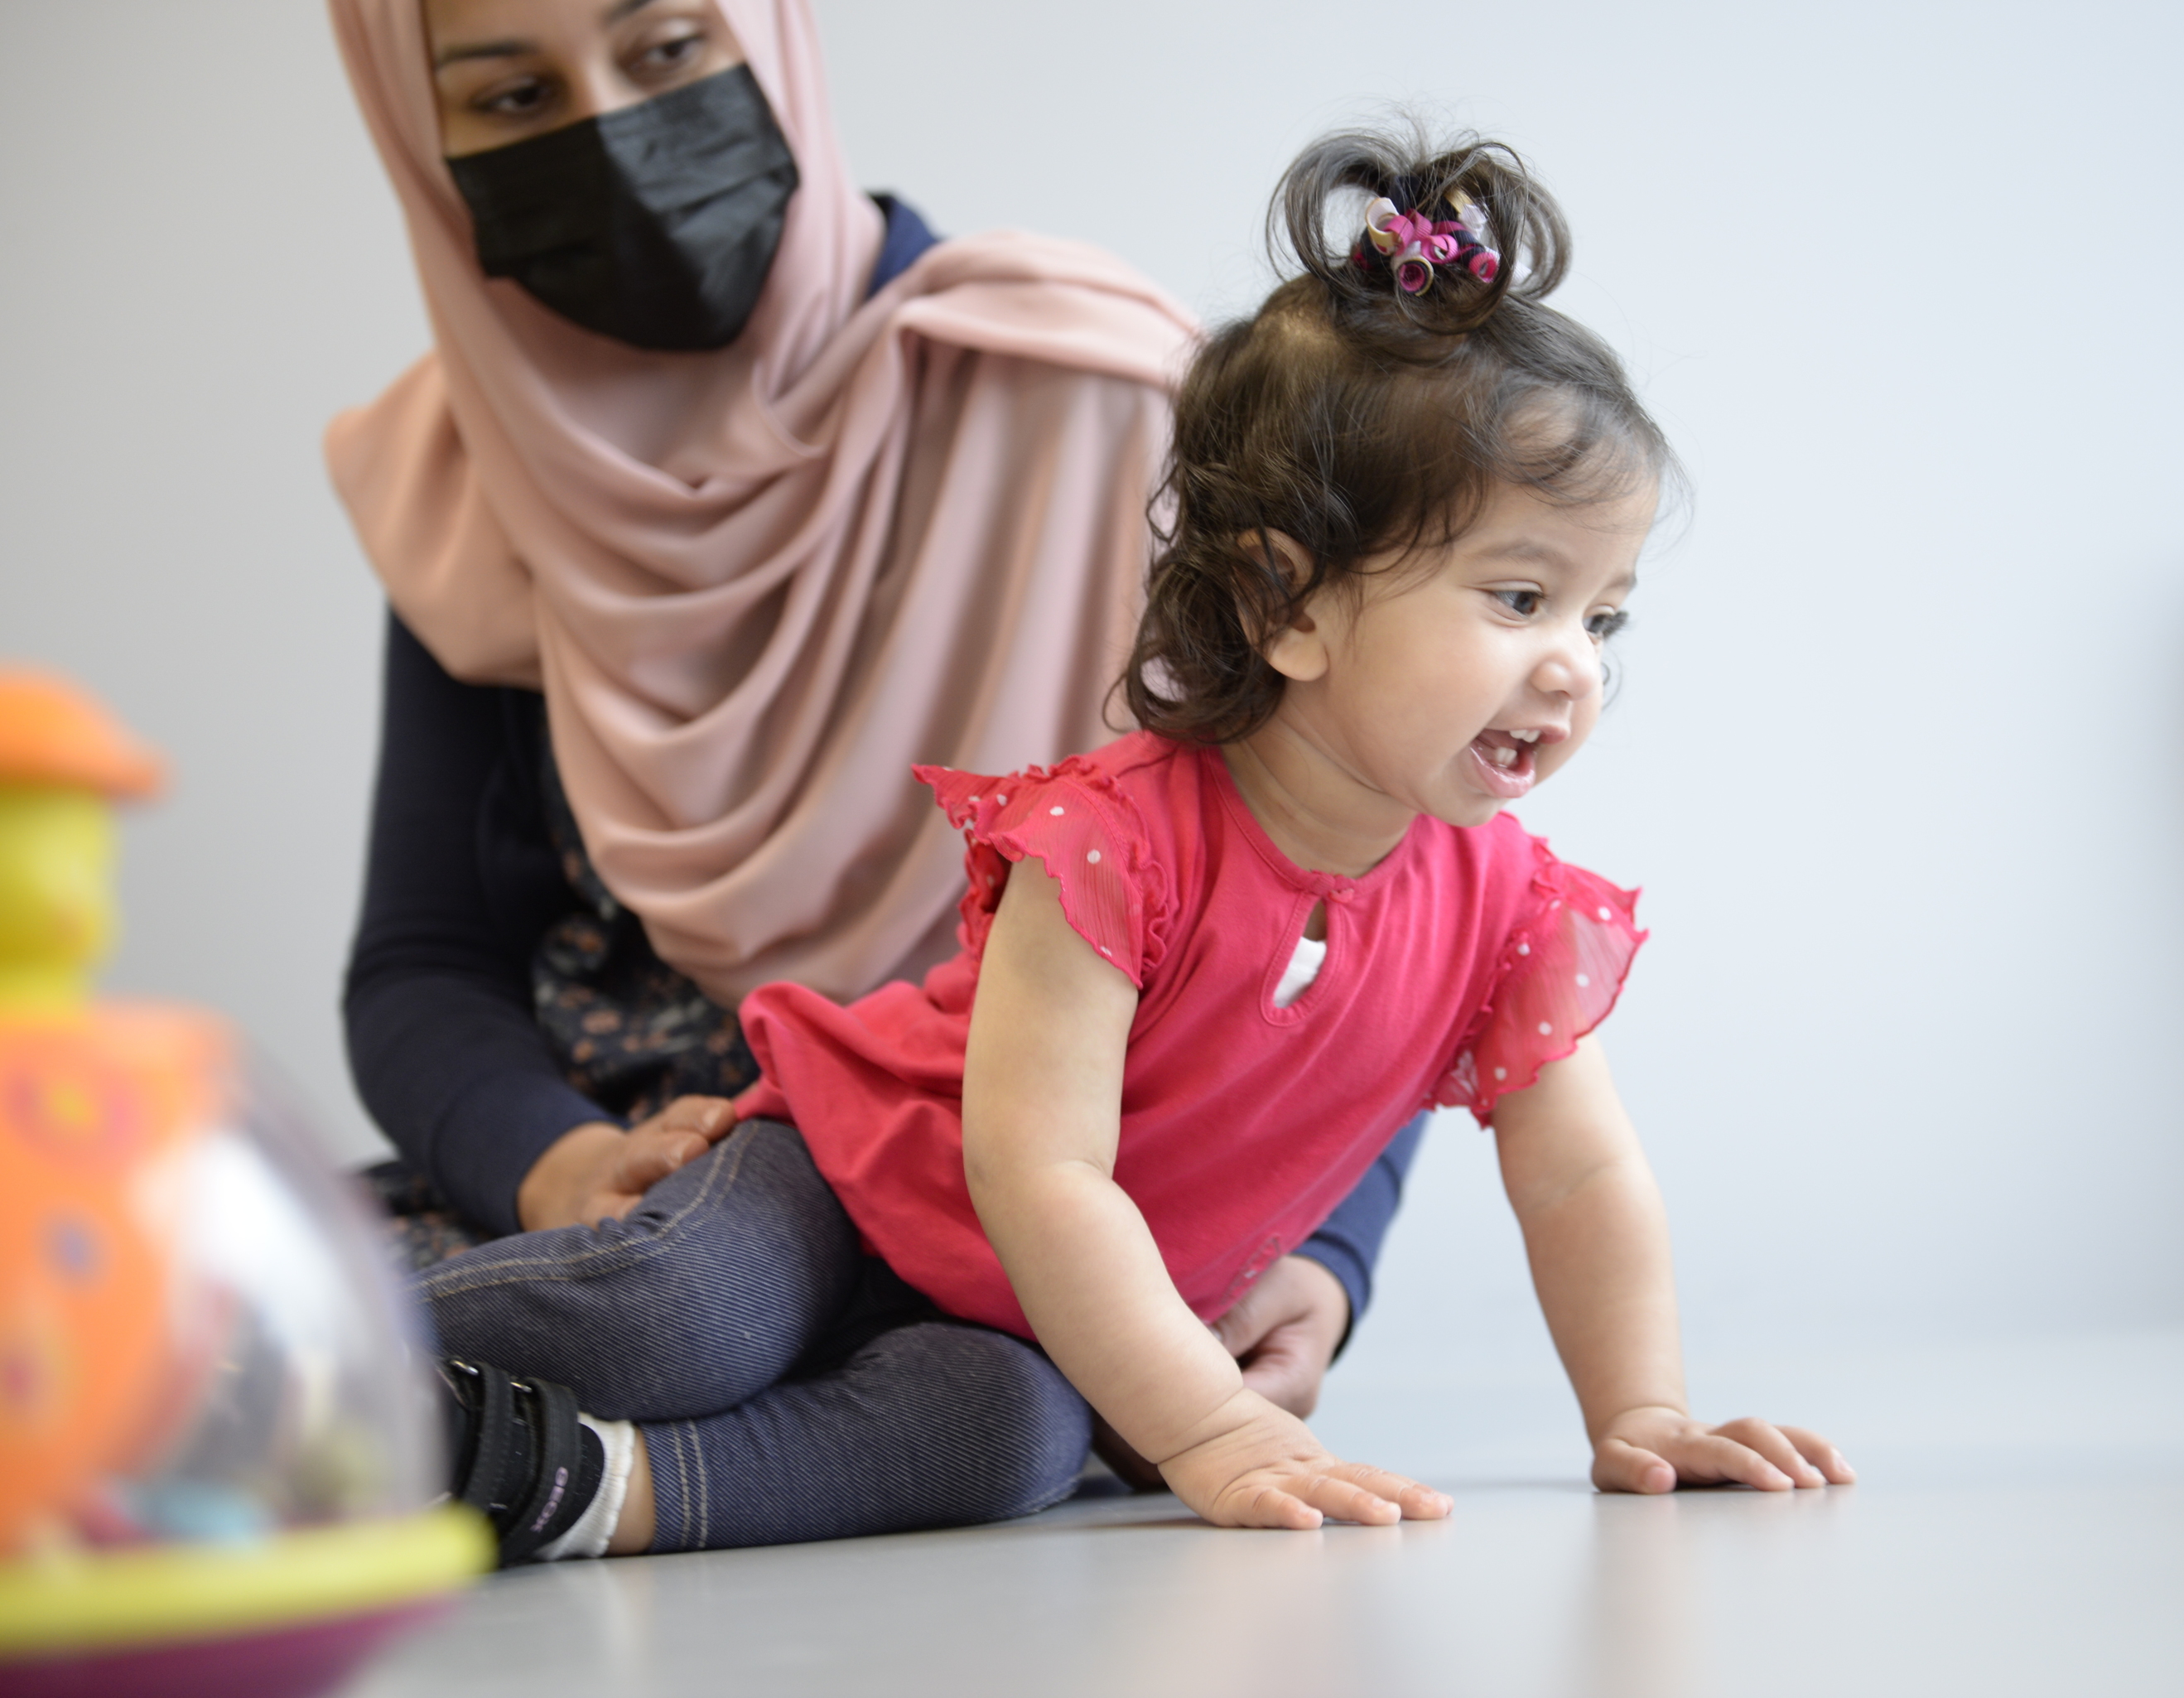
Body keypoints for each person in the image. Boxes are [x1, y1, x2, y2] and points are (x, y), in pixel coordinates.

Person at [421, 123, 1854, 1561]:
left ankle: (565, 1486)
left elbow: (1580, 1176)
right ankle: (286, 1346)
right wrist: (1217, 1429)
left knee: (1013, 1438)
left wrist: (1644, 1410)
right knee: (684, 1318)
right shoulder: (1115, 843)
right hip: (853, 1193)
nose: (1574, 668)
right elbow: (1039, 1172)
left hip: (1024, 1321)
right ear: (1286, 605)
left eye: (1602, 617)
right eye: (1520, 596)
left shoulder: (1512, 911)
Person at [326, 0, 1425, 1467]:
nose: (612, 132)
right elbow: (426, 966)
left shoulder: (1102, 400)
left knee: (1021, 1411)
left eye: (665, 52)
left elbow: (1369, 867)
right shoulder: (472, 478)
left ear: (772, 42)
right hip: (636, 1209)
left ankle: (503, 1452)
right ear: (422, 139)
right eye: (513, 95)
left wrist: (1323, 1256)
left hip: (1042, 1190)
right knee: (654, 1309)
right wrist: (560, 1166)